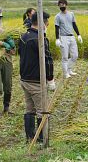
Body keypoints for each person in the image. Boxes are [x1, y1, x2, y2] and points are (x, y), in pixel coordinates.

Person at [18, 11, 56, 143]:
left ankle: (30, 136)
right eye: (47, 22)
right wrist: (50, 79)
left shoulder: (24, 36)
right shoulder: (40, 39)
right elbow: (48, 60)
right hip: (36, 80)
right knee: (42, 110)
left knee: (29, 109)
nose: (48, 24)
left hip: (24, 79)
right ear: (42, 23)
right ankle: (42, 137)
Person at [55, 0, 83, 78]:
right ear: (58, 6)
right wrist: (57, 39)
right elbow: (56, 28)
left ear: (66, 5)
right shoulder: (57, 16)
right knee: (65, 57)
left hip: (72, 36)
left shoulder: (71, 14)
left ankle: (69, 69)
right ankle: (65, 73)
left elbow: (74, 25)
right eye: (60, 5)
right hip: (63, 37)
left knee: (75, 56)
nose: (62, 6)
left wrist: (78, 35)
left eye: (63, 4)